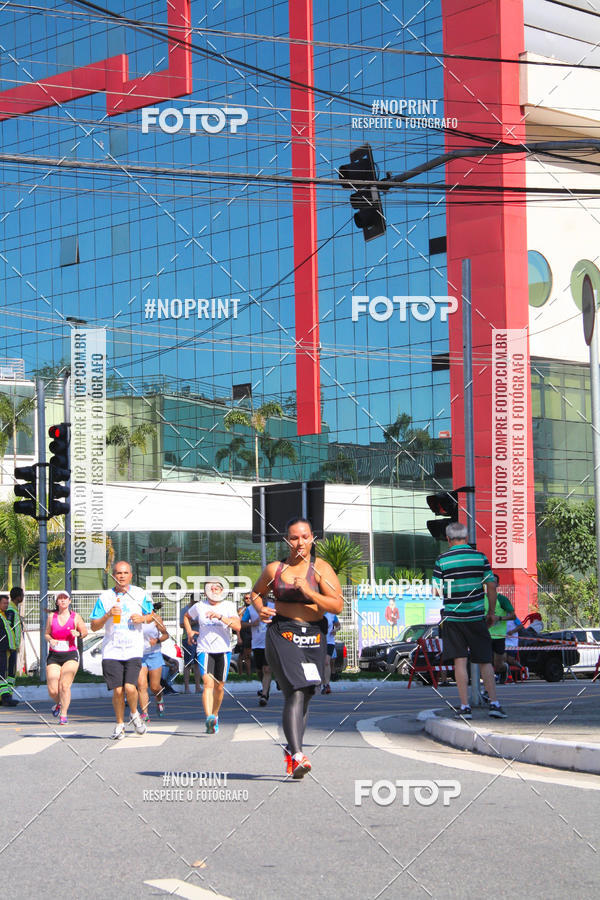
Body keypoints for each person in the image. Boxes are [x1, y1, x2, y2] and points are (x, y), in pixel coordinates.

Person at [252, 518, 343, 779]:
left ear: (312, 538)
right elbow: (256, 593)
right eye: (294, 538)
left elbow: (337, 606)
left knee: (306, 693)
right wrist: (261, 608)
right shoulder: (275, 570)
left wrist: (310, 592)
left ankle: (293, 752)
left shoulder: (321, 569)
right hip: (284, 632)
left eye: (304, 537)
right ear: (286, 541)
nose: (299, 542)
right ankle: (299, 754)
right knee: (294, 691)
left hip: (314, 636)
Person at [432, 522, 507, 720]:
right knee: (485, 661)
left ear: (448, 540)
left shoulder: (442, 560)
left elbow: (436, 590)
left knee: (459, 661)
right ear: (466, 538)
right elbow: (491, 585)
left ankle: (465, 707)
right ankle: (494, 704)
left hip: (453, 618)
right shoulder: (480, 557)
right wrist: (491, 611)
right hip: (476, 617)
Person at [90, 560, 154, 740]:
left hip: (133, 648)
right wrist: (108, 614)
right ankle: (119, 725)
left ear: (131, 576)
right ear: (113, 576)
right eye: (118, 573)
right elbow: (94, 626)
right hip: (112, 650)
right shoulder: (105, 597)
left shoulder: (140, 594)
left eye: (125, 573)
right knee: (118, 691)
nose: (122, 576)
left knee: (130, 687)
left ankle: (134, 714)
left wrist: (142, 619)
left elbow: (152, 616)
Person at [184, 581, 241, 734]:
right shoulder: (200, 606)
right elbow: (186, 617)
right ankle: (208, 717)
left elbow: (237, 626)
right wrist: (189, 632)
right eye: (210, 588)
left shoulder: (228, 606)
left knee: (219, 687)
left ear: (222, 590)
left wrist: (220, 616)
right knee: (208, 684)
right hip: (205, 649)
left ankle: (215, 714)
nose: (213, 590)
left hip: (223, 650)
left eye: (216, 588)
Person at [45, 591, 88, 724]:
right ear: (57, 602)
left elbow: (85, 632)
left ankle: (64, 714)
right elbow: (46, 634)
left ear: (69, 601)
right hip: (54, 655)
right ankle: (59, 703)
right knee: (53, 690)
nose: (63, 600)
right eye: (60, 598)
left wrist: (78, 633)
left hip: (70, 654)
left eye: (65, 598)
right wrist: (50, 640)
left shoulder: (75, 617)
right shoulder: (52, 616)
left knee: (64, 685)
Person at [138, 602, 169, 721]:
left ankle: (159, 700)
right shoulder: (134, 618)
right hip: (140, 655)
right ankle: (144, 713)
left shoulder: (155, 618)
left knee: (155, 687)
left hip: (154, 654)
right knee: (141, 685)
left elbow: (166, 635)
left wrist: (157, 640)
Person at [484, 575, 516, 684]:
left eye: (494, 582)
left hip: (499, 636)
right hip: (485, 635)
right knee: (485, 661)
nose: (491, 584)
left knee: (498, 665)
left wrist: (500, 618)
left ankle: (504, 669)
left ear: (498, 585)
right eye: (489, 582)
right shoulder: (481, 599)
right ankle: (487, 682)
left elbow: (513, 616)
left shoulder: (502, 599)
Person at [247, 594, 275, 706]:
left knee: (267, 669)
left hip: (270, 643)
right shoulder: (250, 609)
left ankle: (264, 695)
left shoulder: (274, 607)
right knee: (259, 671)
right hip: (257, 644)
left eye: (263, 597)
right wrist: (251, 624)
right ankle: (265, 688)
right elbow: (241, 623)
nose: (262, 600)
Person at [0, 594, 18, 706]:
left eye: (7, 603)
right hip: (1, 649)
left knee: (9, 674)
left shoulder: (5, 615)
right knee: (2, 673)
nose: (6, 605)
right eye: (4, 603)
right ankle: (5, 698)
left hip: (9, 648)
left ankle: (7, 696)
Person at [180, 597, 201, 694]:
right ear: (191, 600)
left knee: (197, 664)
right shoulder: (185, 610)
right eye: (195, 601)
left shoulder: (200, 609)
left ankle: (198, 687)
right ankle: (186, 688)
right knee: (188, 663)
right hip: (188, 639)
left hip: (199, 639)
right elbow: (181, 624)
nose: (197, 603)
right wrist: (194, 622)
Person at [8, 587, 24, 696]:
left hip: (13, 646)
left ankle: (8, 694)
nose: (23, 597)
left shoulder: (13, 609)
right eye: (22, 595)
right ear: (18, 597)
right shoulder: (11, 610)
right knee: (9, 672)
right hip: (10, 647)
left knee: (10, 672)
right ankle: (7, 695)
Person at [321, 611, 340, 694]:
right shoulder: (315, 612)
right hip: (318, 641)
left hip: (329, 642)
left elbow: (338, 626)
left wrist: (335, 629)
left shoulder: (331, 614)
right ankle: (321, 684)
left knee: (326, 662)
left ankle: (327, 685)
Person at [237, 593, 253, 677]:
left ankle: (248, 674)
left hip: (252, 633)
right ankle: (242, 674)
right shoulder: (242, 610)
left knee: (247, 655)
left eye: (249, 598)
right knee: (244, 655)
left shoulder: (254, 608)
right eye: (246, 598)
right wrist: (239, 637)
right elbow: (238, 624)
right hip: (244, 633)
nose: (248, 599)